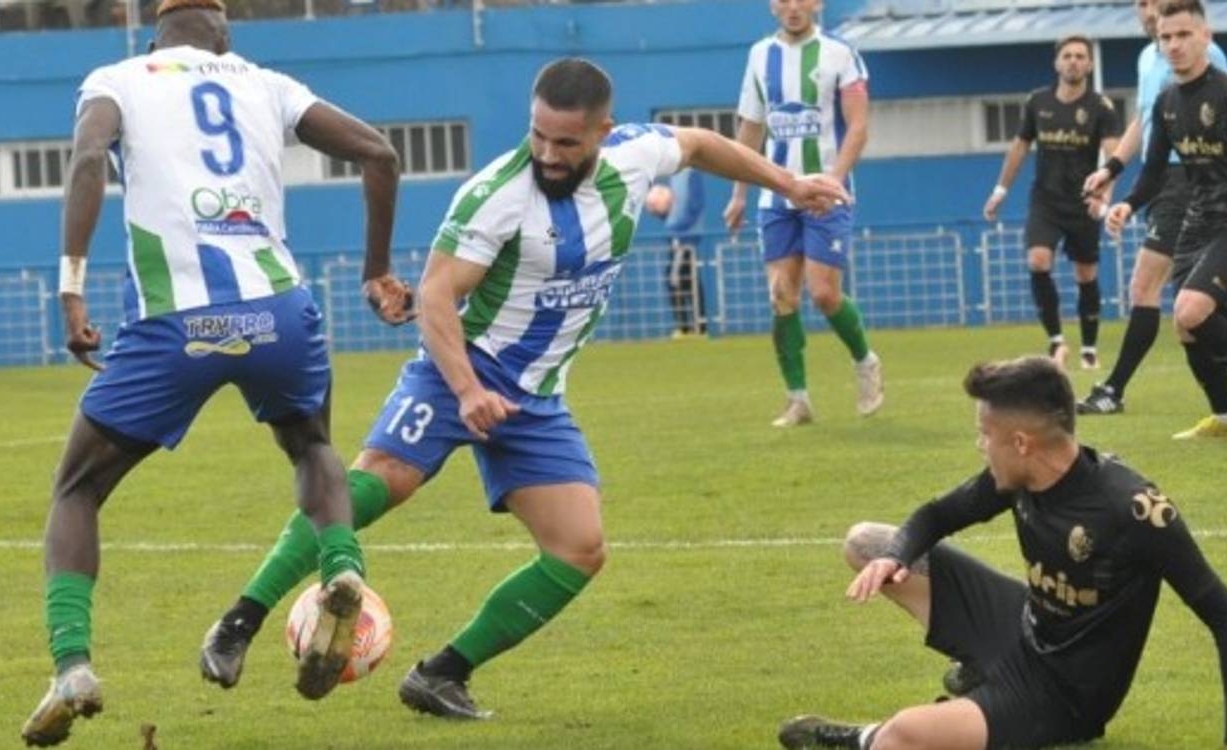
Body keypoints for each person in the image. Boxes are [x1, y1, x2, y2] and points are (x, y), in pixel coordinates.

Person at [198, 57, 850, 720]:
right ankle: (240, 620)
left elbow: (700, 144)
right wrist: (467, 390)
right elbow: (436, 294)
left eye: (566, 142)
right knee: (379, 482)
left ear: (603, 132)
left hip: (535, 397)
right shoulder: (498, 194)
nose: (547, 153)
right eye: (538, 135)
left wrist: (789, 182)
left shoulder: (633, 156)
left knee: (579, 549)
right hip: (461, 368)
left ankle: (442, 673)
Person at [20, 0, 412, 744]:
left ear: (154, 30)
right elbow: (381, 153)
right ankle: (341, 566)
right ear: (222, 28)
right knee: (312, 448)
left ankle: (71, 664)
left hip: (176, 326)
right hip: (278, 314)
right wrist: (377, 269)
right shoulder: (265, 82)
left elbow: (83, 159)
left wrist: (71, 285)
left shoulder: (118, 78)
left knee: (77, 487)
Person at [777, 356, 1227, 750]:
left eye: (985, 434)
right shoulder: (1020, 478)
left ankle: (859, 737)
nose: (979, 445)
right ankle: (981, 672)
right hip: (1021, 627)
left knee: (903, 737)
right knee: (866, 544)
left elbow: (1226, 618)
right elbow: (934, 517)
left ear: (1020, 442)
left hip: (1063, 694)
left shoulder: (1133, 510)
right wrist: (897, 558)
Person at [1077, 0, 1227, 416]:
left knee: (1177, 299)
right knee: (1191, 307)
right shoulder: (1157, 80)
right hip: (1189, 196)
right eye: (1165, 35)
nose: (1172, 43)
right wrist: (1120, 186)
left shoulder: (1225, 83)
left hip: (1216, 199)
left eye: (1181, 35)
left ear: (1204, 36)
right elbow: (1148, 135)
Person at [724, 0, 882, 427]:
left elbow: (859, 125)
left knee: (825, 293)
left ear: (817, 4)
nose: (793, 6)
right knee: (781, 296)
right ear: (773, 6)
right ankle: (798, 400)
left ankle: (865, 361)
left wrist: (835, 178)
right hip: (775, 196)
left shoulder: (839, 53)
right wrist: (739, 193)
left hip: (827, 193)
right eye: (784, 0)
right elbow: (751, 128)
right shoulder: (759, 55)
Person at [982, 35, 1120, 371]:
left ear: (1089, 64)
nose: (1073, 61)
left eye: (1080, 56)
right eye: (1067, 56)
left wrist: (1104, 197)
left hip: (1083, 202)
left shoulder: (1101, 107)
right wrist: (1000, 190)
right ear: (1057, 63)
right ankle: (1057, 340)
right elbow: (1019, 147)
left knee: (1085, 274)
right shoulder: (1037, 102)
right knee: (1038, 260)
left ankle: (1089, 346)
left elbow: (1114, 156)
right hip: (1045, 200)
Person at [645, 168, 708, 337]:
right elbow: (675, 209)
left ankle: (693, 327)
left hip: (685, 237)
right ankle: (691, 327)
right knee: (684, 280)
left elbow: (694, 204)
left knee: (679, 280)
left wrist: (675, 225)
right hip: (677, 237)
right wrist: (662, 213)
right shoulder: (675, 175)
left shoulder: (691, 173)